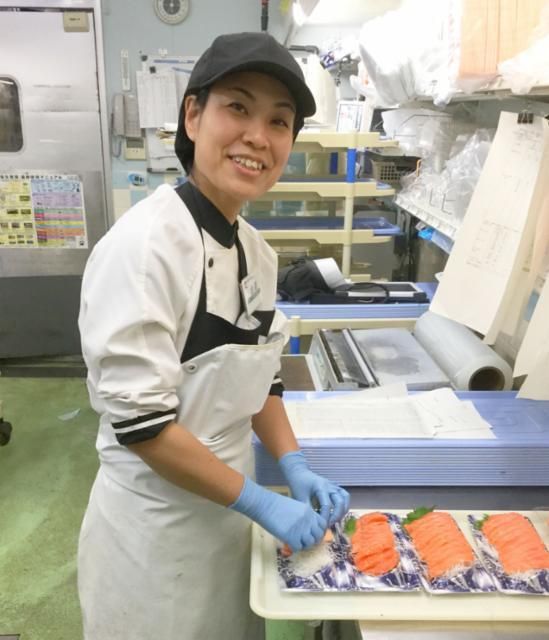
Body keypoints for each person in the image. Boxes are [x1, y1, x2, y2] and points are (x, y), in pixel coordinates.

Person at [77, 31, 350, 640]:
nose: (258, 136)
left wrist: (294, 464)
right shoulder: (144, 248)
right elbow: (144, 426)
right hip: (154, 536)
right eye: (238, 108)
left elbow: (262, 379)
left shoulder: (256, 251)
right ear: (193, 116)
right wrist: (261, 501)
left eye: (279, 121)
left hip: (227, 521)